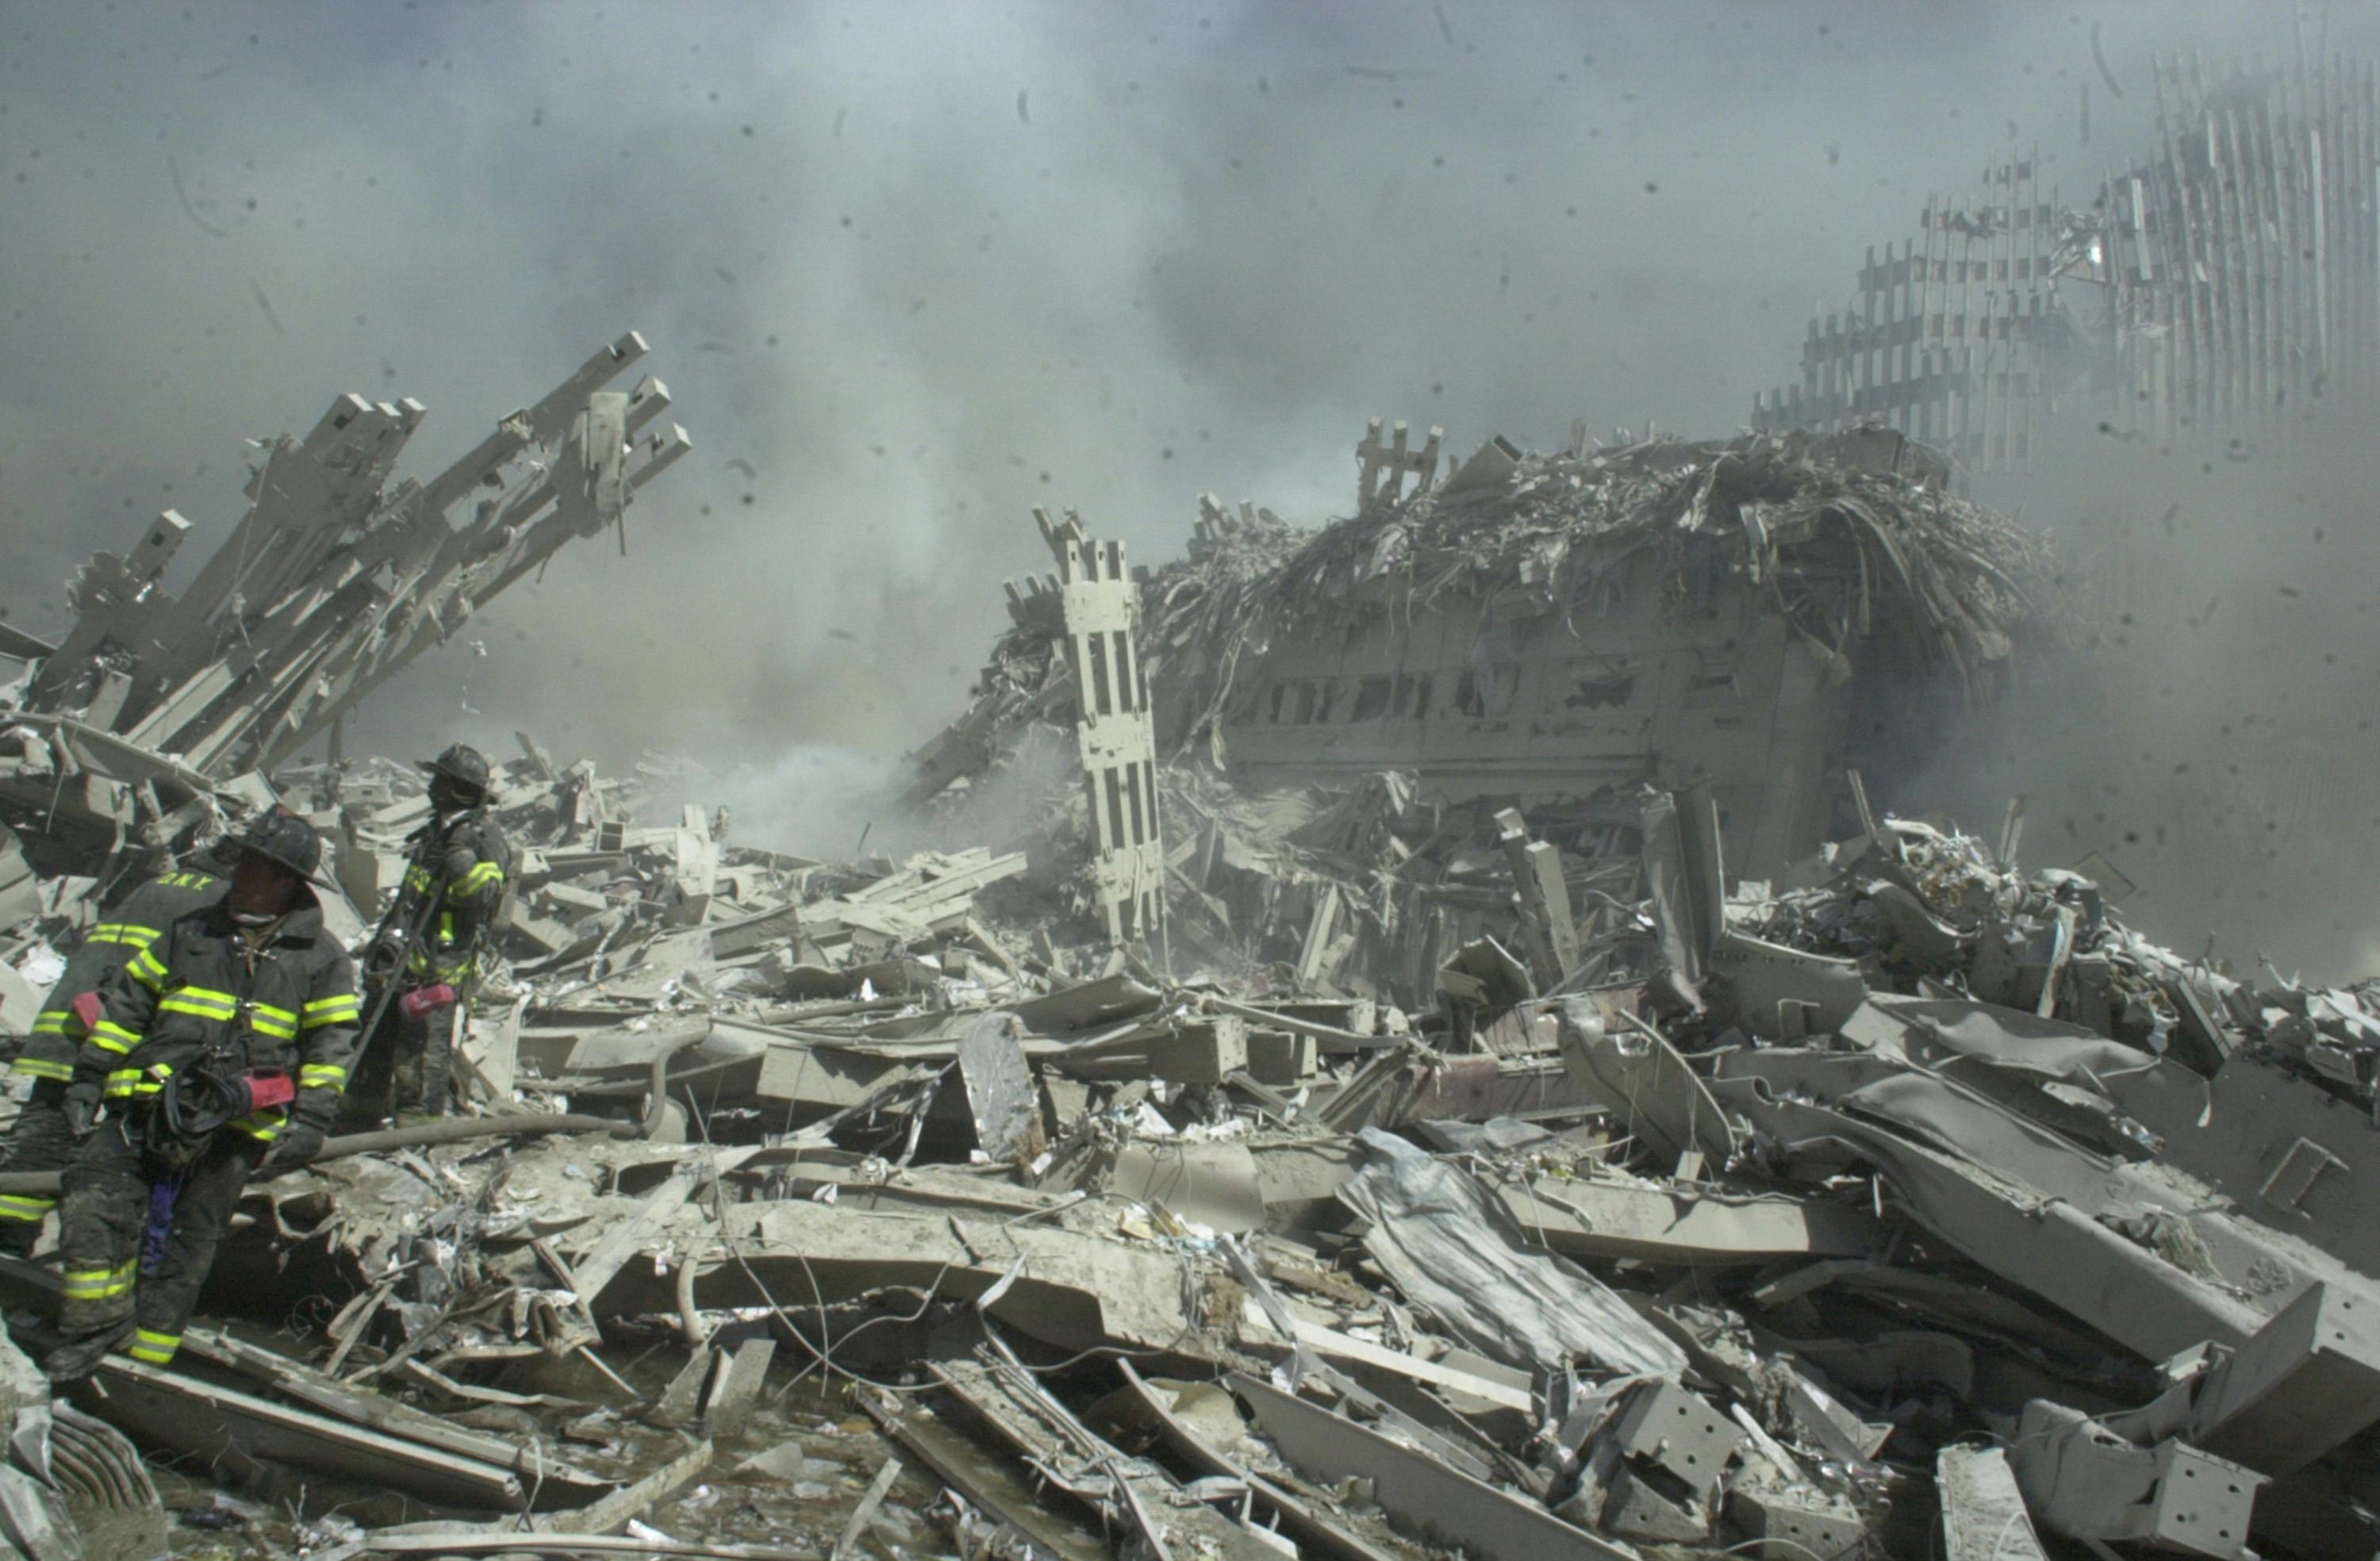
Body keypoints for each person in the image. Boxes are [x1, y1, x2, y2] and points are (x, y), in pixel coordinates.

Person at [46, 809, 359, 1379]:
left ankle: (144, 1370)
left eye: (253, 865)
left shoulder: (322, 958)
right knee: (92, 1201)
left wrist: (311, 1122)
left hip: (235, 1124)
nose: (237, 873)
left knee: (188, 1246)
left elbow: (330, 1047)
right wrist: (90, 1078)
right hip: (149, 1104)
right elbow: (128, 1008)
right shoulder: (190, 931)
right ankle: (97, 1327)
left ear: (285, 881)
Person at [0, 843, 233, 1256]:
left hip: (70, 1026)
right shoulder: (218, 899)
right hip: (108, 1034)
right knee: (81, 1147)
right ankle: (14, 1244)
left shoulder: (162, 884)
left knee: (42, 1136)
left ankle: (10, 1239)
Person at [350, 743, 511, 1125]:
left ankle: (416, 1134)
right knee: (374, 1044)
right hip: (399, 959)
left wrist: (460, 856)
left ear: (460, 790)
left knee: (420, 1057)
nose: (431, 788)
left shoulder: (483, 837)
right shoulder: (436, 831)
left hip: (438, 968)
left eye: (440, 781)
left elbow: (482, 896)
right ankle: (355, 1124)